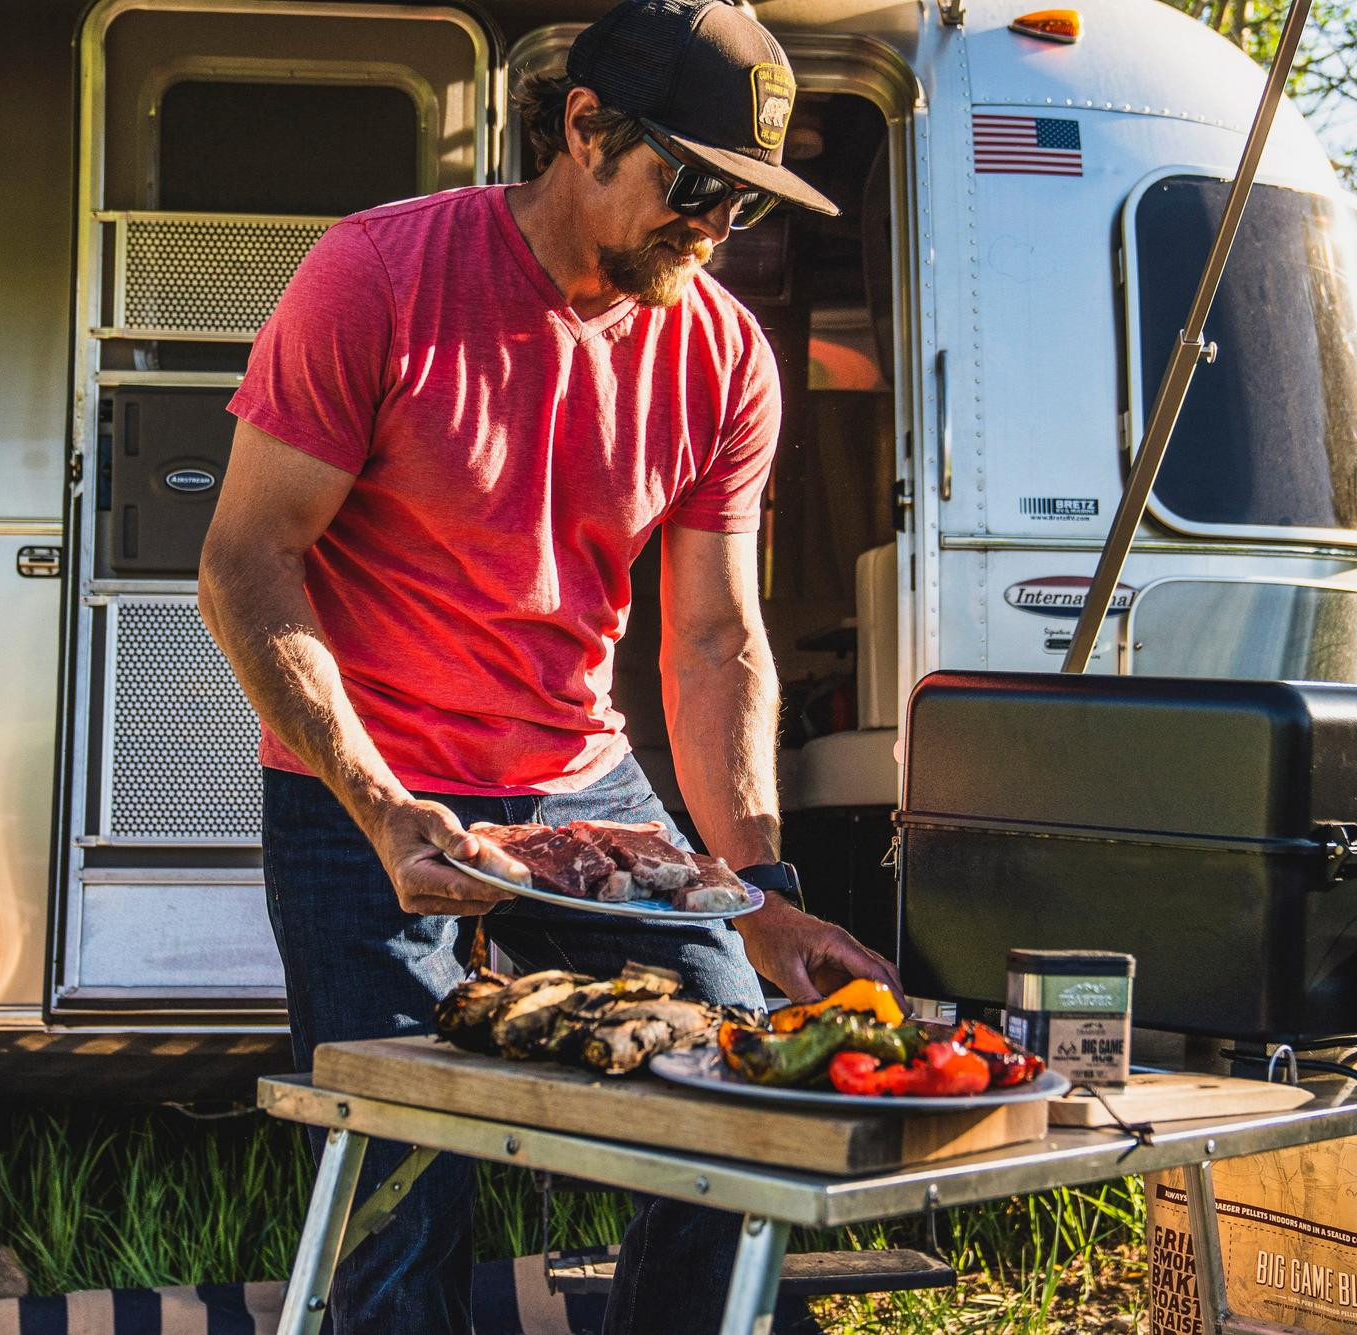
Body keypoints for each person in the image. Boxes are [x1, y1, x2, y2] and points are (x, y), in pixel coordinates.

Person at [197, 0, 902, 1329]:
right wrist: (378, 803)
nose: (712, 229)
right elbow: (244, 562)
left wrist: (759, 890)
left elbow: (712, 639)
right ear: (584, 129)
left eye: (744, 205)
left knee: (735, 1104)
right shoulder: (381, 276)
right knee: (404, 1193)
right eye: (693, 186)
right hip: (373, 794)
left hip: (584, 788)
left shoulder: (724, 354)